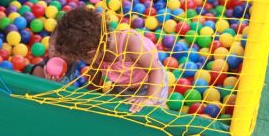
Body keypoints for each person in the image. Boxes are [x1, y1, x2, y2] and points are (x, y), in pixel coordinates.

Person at [32, 7, 168, 113]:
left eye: (82, 59)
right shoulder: (97, 51)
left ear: (90, 53)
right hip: (123, 85)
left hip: (151, 84)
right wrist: (92, 94)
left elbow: (155, 71)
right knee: (115, 114)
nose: (83, 62)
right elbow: (96, 71)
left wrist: (149, 99)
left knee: (149, 114)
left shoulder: (130, 44)